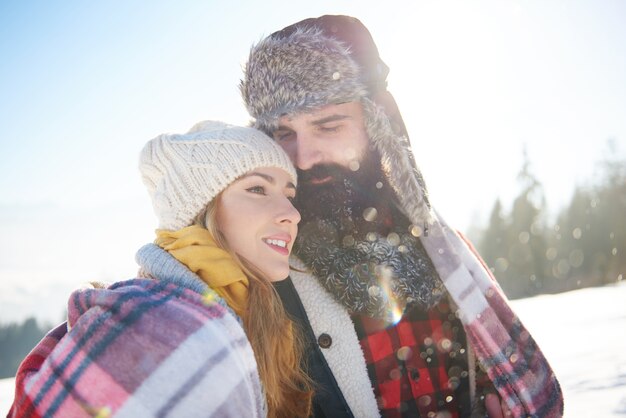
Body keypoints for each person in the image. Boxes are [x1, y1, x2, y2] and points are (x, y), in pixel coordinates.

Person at [240, 15, 564, 418]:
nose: (303, 159)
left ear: (379, 126)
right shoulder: (261, 269)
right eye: (283, 134)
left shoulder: (439, 246)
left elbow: (487, 365)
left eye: (327, 126)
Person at [8, 121, 312, 418]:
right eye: (258, 189)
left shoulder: (257, 318)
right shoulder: (153, 326)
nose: (292, 214)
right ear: (201, 210)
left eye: (289, 195)